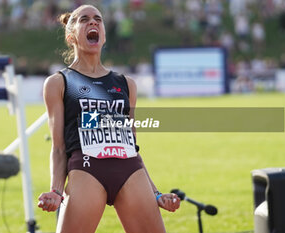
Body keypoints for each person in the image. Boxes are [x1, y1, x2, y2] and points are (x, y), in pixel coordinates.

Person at [37, 5, 180, 233]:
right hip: (86, 168)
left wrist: (156, 193)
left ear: (103, 35)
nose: (93, 22)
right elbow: (58, 147)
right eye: (84, 19)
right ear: (71, 35)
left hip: (130, 170)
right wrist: (55, 190)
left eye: (98, 19)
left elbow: (132, 146)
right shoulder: (58, 83)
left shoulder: (126, 84)